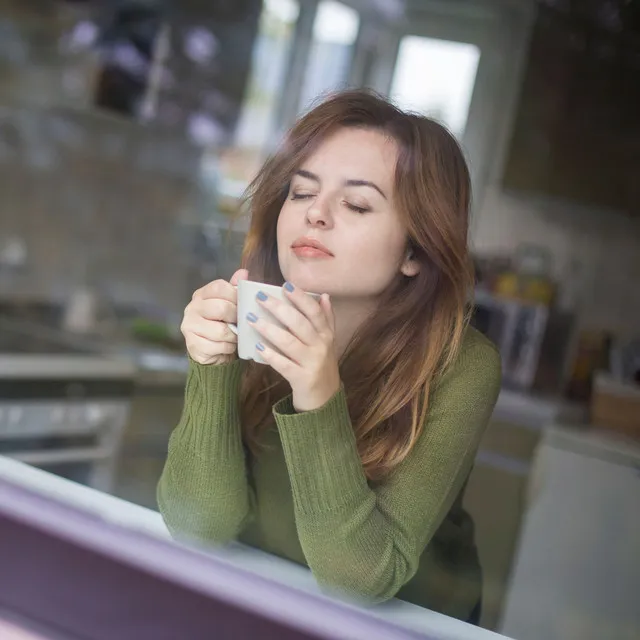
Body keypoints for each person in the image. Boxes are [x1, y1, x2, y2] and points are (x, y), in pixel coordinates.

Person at [157, 89, 501, 625]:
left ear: (416, 251)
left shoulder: (460, 365)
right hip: (261, 608)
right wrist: (212, 366)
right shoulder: (251, 315)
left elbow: (361, 579)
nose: (315, 214)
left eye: (357, 204)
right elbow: (198, 526)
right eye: (300, 192)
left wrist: (318, 394)